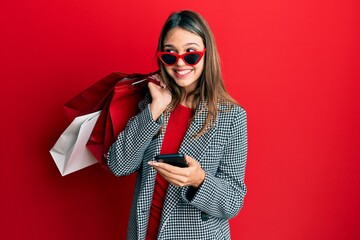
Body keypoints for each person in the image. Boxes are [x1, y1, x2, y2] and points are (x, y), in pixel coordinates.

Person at [107, 10, 247, 240]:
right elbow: (118, 165)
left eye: (191, 54)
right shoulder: (151, 102)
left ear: (206, 54)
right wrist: (155, 108)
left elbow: (232, 201)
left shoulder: (231, 117)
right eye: (170, 55)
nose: (180, 63)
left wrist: (199, 180)